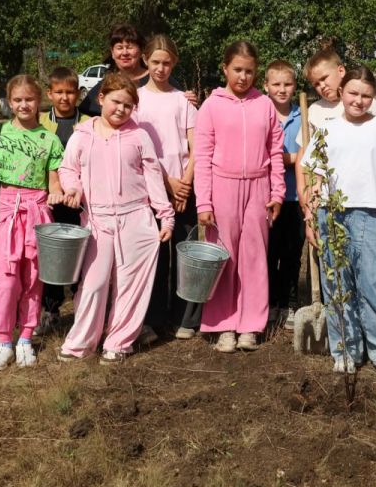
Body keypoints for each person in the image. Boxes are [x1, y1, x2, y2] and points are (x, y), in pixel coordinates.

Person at [56, 74, 175, 363]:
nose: (121, 109)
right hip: (97, 220)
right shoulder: (82, 134)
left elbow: (153, 178)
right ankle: (81, 343)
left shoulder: (139, 136)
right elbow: (68, 169)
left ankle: (119, 342)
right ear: (101, 99)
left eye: (128, 105)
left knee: (129, 284)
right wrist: (73, 188)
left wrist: (166, 216)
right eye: (115, 102)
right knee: (94, 282)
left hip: (136, 218)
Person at [302, 65, 376, 377]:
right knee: (336, 284)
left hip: (370, 215)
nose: (358, 101)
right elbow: (315, 176)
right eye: (352, 93)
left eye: (365, 95)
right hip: (331, 215)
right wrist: (311, 215)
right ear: (342, 92)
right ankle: (345, 349)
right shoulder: (328, 128)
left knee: (372, 285)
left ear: (373, 97)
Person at [194, 40, 285, 352]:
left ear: (256, 72)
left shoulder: (265, 105)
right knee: (223, 256)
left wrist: (277, 192)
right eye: (237, 70)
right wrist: (203, 202)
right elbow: (202, 157)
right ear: (225, 69)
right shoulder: (212, 105)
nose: (243, 77)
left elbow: (274, 151)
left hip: (258, 188)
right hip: (223, 187)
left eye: (249, 71)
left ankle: (250, 325)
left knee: (254, 256)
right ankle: (223, 325)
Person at [0, 75, 65, 371]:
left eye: (29, 99)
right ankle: (4, 341)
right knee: (7, 279)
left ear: (39, 101)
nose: (24, 105)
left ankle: (26, 337)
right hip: (5, 212)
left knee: (32, 278)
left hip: (36, 211)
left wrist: (57, 191)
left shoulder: (49, 138)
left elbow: (54, 178)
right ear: (9, 102)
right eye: (17, 100)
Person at [135, 34, 201, 341]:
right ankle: (153, 318)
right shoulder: (136, 100)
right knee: (157, 255)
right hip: (153, 189)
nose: (161, 69)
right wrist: (167, 181)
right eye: (156, 62)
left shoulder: (182, 100)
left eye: (167, 63)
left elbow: (195, 143)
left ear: (174, 63)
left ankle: (183, 317)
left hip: (185, 188)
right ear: (146, 61)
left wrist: (185, 181)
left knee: (185, 251)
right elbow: (141, 148)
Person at [35, 66, 90, 335]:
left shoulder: (89, 122)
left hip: (80, 202)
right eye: (58, 92)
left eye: (70, 92)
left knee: (82, 255)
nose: (64, 98)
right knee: (52, 256)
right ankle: (51, 309)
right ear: (49, 93)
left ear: (79, 94)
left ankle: (82, 307)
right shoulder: (40, 122)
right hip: (50, 202)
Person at [294, 48, 376, 202]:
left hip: (363, 194)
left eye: (324, 78)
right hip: (323, 196)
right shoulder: (315, 111)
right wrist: (303, 191)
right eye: (316, 83)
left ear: (341, 70)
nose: (322, 86)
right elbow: (303, 154)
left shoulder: (364, 103)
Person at [263, 59, 305, 329]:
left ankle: (289, 302)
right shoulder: (261, 111)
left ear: (295, 86)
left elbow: (305, 153)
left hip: (296, 196)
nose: (282, 89)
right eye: (276, 84)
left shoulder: (303, 115)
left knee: (292, 252)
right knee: (269, 251)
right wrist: (287, 158)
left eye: (287, 84)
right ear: (265, 86)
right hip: (268, 197)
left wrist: (292, 158)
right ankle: (269, 301)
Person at [79, 24, 197, 116]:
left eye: (130, 47)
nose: (125, 53)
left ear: (141, 51)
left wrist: (189, 100)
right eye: (119, 48)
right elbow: (85, 113)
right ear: (112, 53)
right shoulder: (108, 82)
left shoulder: (160, 78)